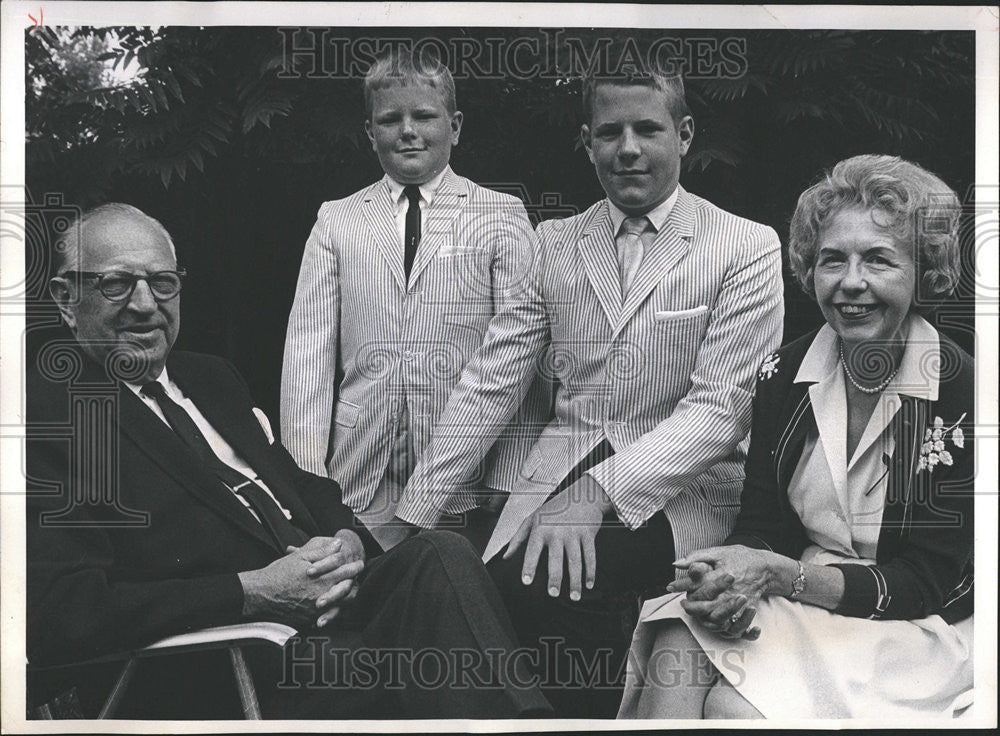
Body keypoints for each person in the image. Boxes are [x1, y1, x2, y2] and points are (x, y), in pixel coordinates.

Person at [26, 203, 550, 719]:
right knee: (439, 663)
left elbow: (299, 485)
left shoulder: (209, 378)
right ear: (67, 300)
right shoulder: (49, 414)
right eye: (116, 284)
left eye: (163, 282)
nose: (145, 304)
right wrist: (252, 594)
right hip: (221, 657)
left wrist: (347, 541)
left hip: (329, 612)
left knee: (440, 552)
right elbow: (62, 612)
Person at [397, 65, 784, 716]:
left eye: (647, 129)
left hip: (682, 490)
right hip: (554, 474)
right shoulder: (553, 243)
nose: (627, 147)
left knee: (550, 587)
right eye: (610, 132)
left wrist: (596, 494)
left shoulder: (745, 246)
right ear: (588, 141)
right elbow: (490, 381)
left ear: (684, 134)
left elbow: (721, 411)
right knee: (478, 585)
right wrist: (413, 516)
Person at [618, 155, 974, 720]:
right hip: (804, 598)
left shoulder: (962, 390)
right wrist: (729, 575)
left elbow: (927, 581)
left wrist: (787, 577)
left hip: (916, 627)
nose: (851, 282)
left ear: (922, 270)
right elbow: (764, 529)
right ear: (811, 271)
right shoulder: (783, 374)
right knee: (678, 633)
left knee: (733, 709)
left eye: (879, 260)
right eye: (833, 260)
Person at [280, 47, 547, 552]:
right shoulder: (338, 220)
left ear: (456, 125)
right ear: (369, 132)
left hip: (468, 470)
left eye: (424, 115)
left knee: (450, 586)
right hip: (360, 466)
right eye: (390, 119)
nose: (407, 130)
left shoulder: (500, 214)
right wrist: (307, 485)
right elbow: (307, 358)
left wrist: (509, 474)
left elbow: (520, 360)